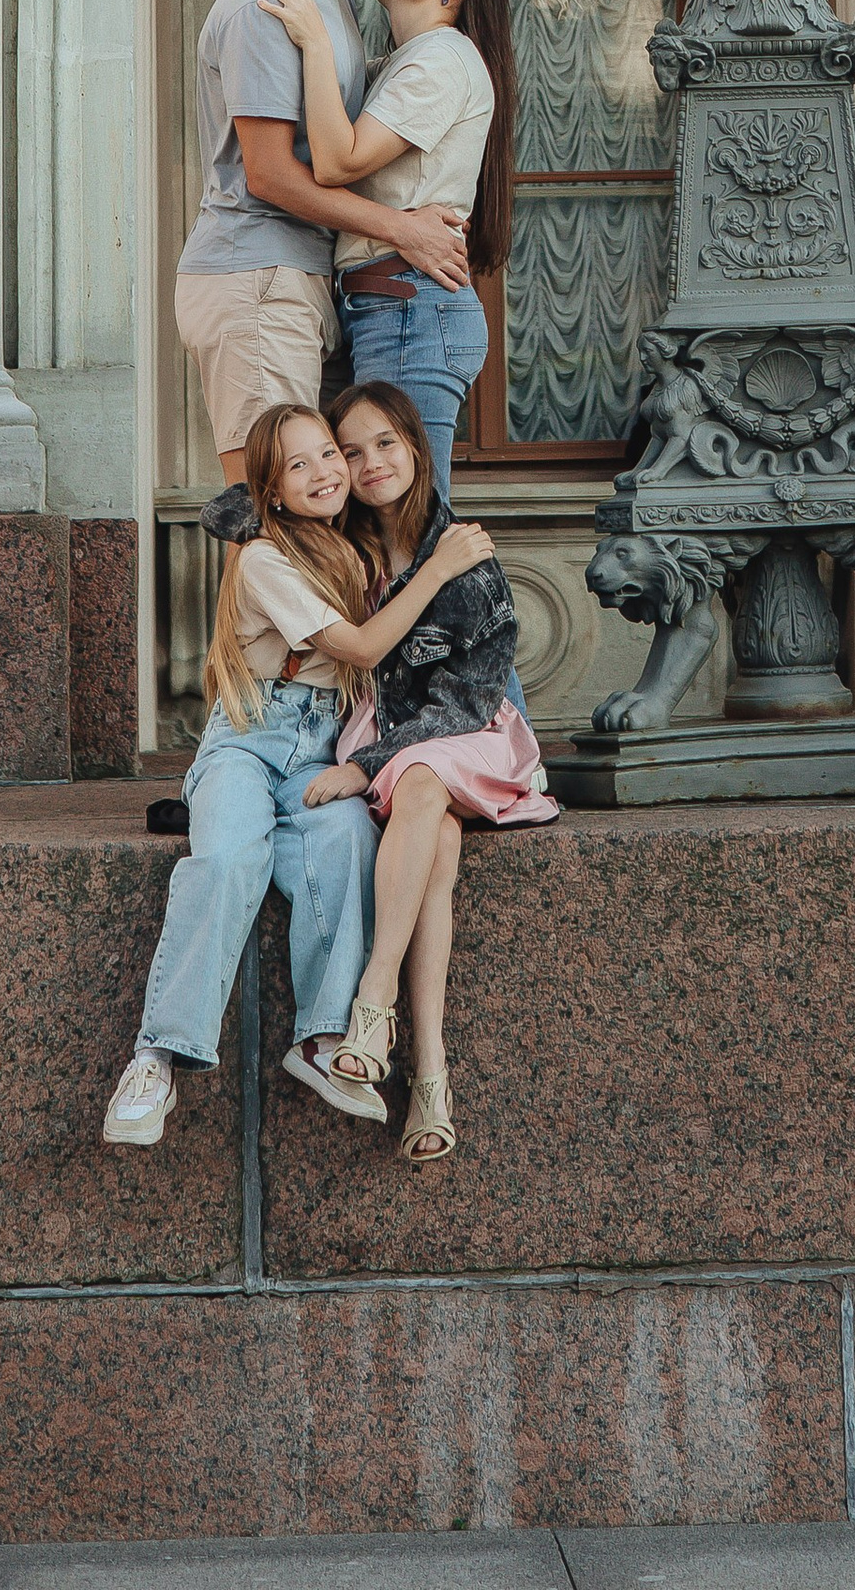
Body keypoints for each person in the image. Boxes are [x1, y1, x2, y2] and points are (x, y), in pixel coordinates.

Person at [101, 400, 498, 1151]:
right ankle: (156, 1058)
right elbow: (360, 647)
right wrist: (441, 564)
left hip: (324, 750)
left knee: (349, 844)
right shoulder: (264, 557)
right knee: (225, 859)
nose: (326, 472)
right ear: (271, 491)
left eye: (331, 456)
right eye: (299, 464)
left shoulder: (348, 543)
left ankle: (321, 1042)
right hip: (249, 742)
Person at [304, 379, 558, 1165]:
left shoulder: (466, 559)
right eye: (351, 451)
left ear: (416, 446)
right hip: (408, 758)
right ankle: (430, 1078)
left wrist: (366, 767)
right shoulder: (342, 549)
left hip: (472, 738)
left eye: (386, 442)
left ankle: (371, 1002)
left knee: (419, 781)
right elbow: (242, 513)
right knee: (436, 844)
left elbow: (466, 700)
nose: (370, 462)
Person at [176, 0, 475, 487]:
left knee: (314, 518)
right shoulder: (267, 3)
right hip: (256, 277)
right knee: (270, 513)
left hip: (300, 281)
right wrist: (402, 228)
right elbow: (270, 175)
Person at [258, 0, 513, 504]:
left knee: (409, 521)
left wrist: (315, 37)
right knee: (385, 525)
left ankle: (471, 604)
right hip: (389, 306)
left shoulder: (443, 57)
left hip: (408, 311)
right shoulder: (404, 62)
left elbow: (338, 162)